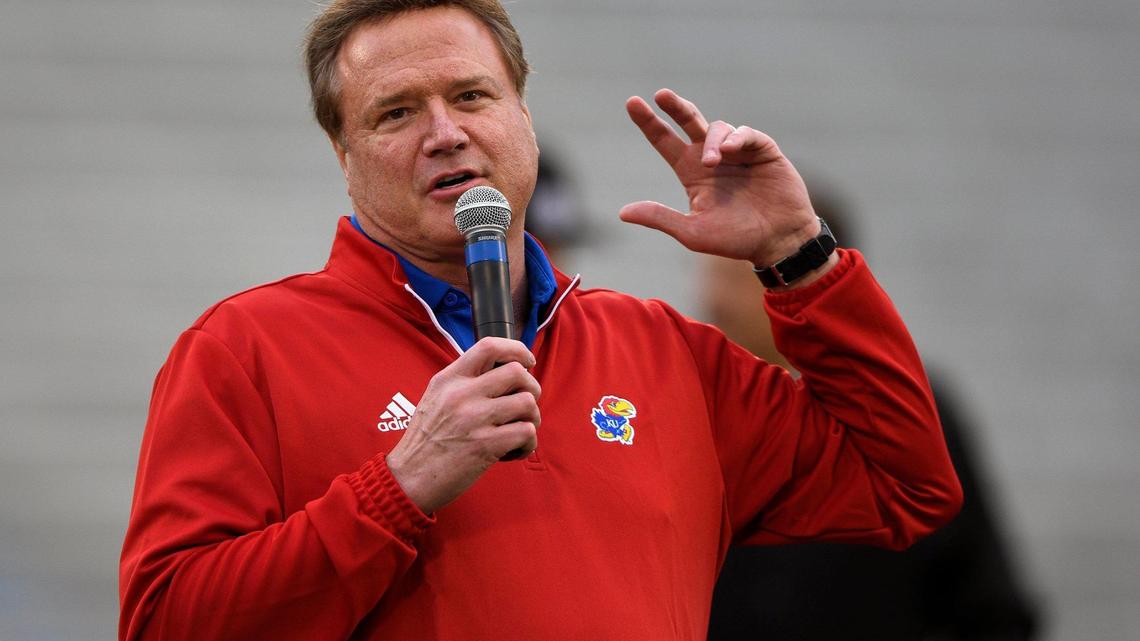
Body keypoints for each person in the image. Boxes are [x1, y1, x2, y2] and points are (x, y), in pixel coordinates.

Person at [118, 2, 963, 640]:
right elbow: (165, 624)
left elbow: (907, 485)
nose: (445, 133)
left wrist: (797, 253)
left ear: (521, 116)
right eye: (395, 112)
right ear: (344, 156)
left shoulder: (664, 353)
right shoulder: (244, 349)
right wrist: (395, 489)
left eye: (471, 95)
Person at [702, 190, 1041, 640]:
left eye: (737, 276)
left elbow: (985, 598)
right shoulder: (700, 404)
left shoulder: (909, 412)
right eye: (710, 275)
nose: (713, 300)